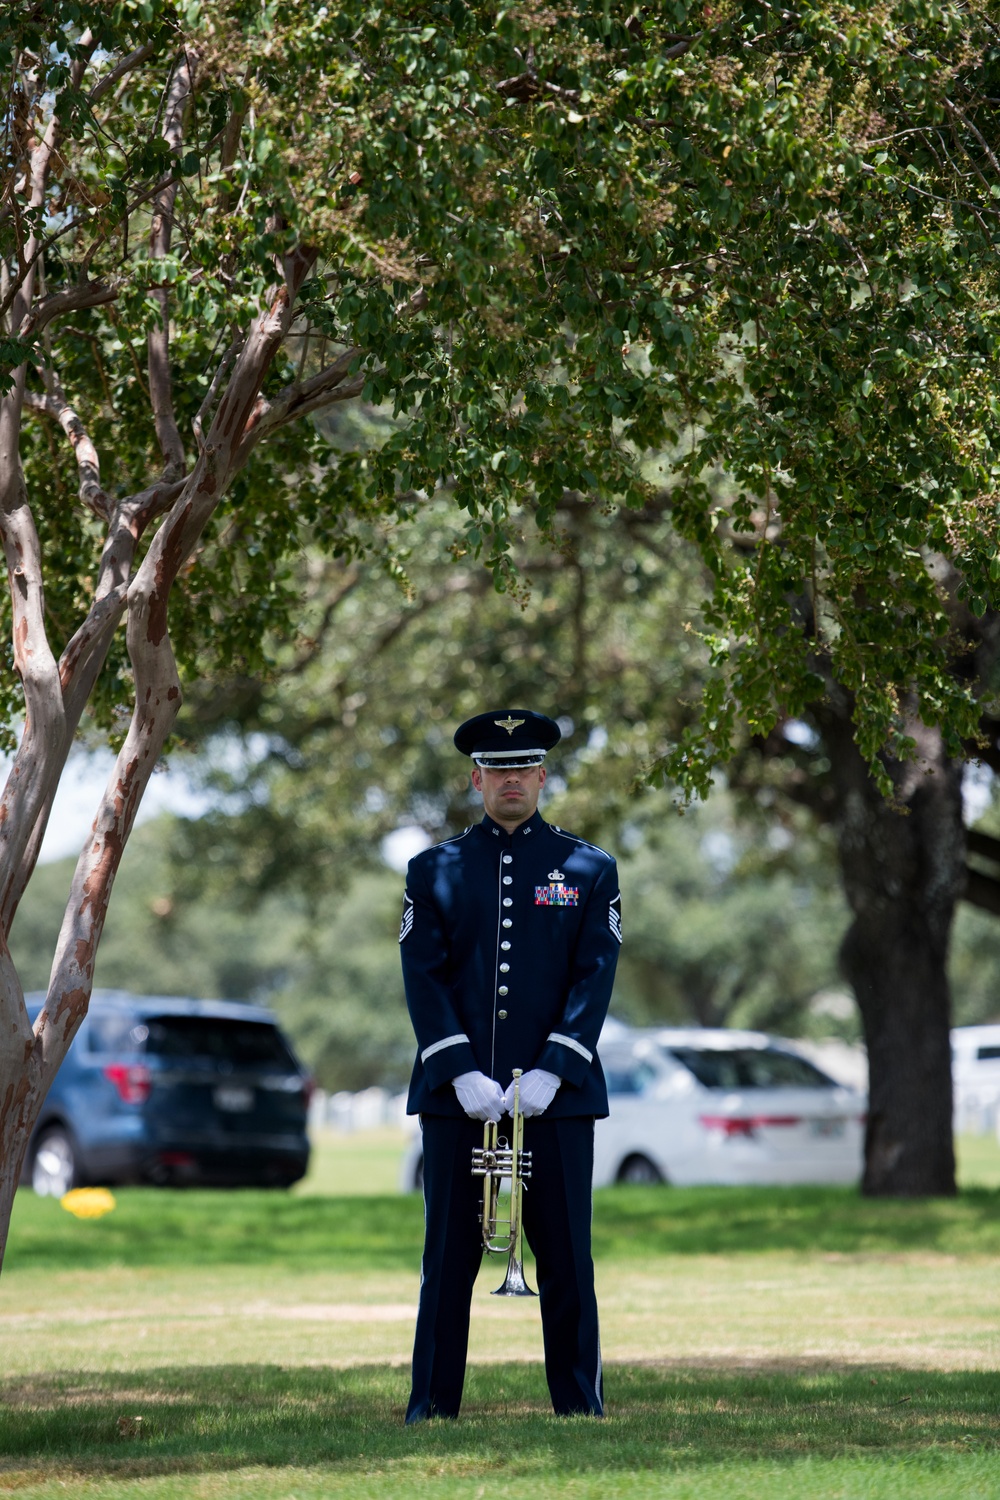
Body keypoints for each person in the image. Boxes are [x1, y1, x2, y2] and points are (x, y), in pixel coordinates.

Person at [399, 709, 622, 1423]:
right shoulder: (432, 869)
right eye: (498, 770)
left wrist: (558, 1066)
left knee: (567, 1262)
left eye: (524, 768)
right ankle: (432, 1406)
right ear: (476, 779)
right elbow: (423, 975)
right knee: (448, 1263)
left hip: (559, 1101)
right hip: (454, 1100)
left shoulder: (588, 867)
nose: (511, 780)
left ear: (543, 776)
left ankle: (580, 1406)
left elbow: (595, 973)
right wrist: (459, 1070)